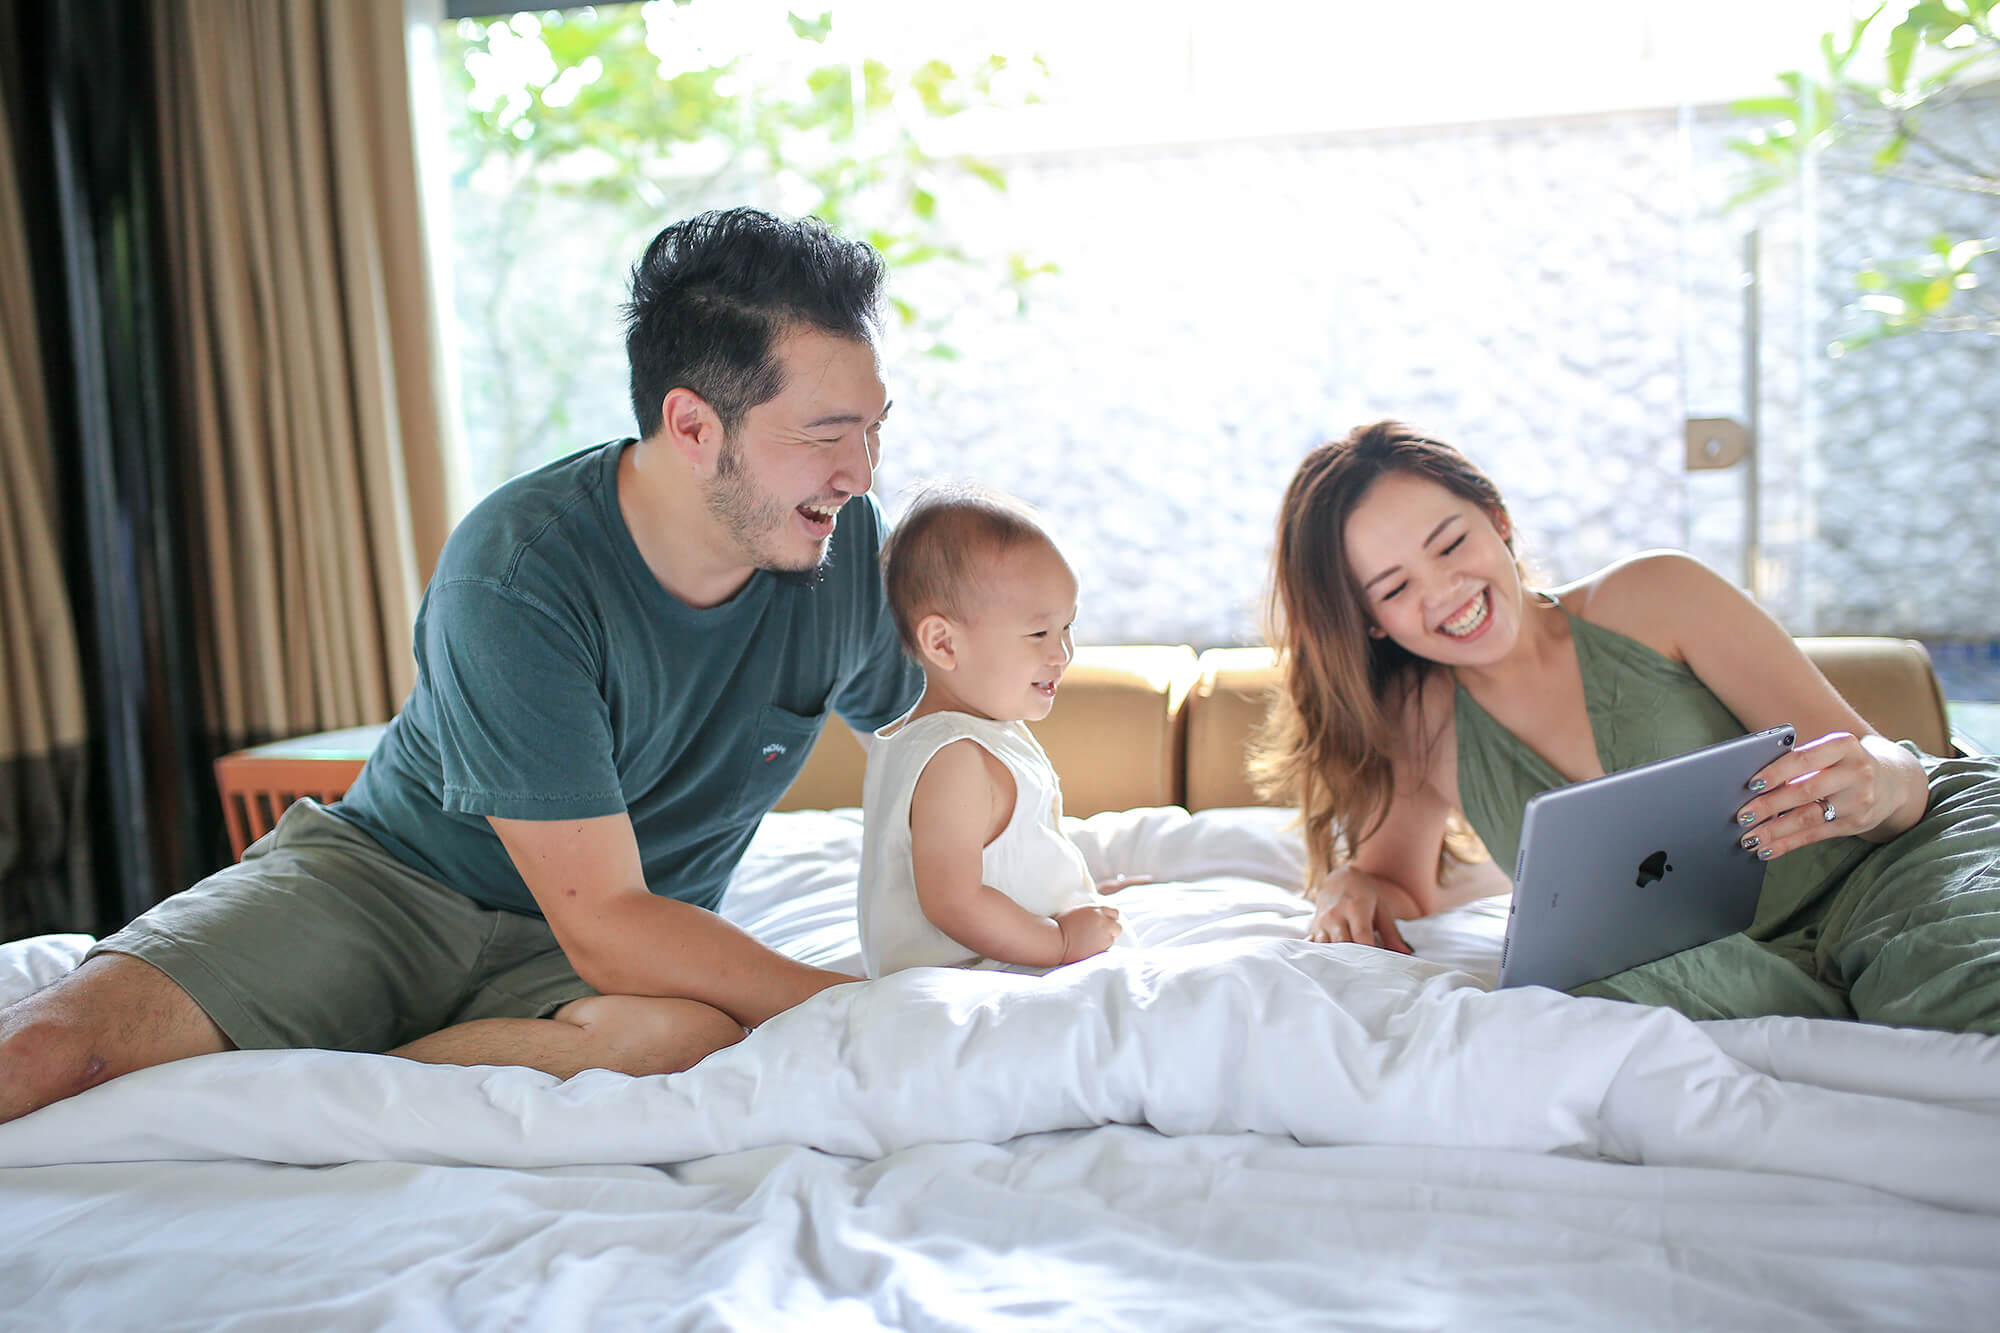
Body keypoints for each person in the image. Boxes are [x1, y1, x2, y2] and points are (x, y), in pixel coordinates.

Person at [0, 207, 925, 1124]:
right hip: (388, 888)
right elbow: (605, 915)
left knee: (681, 1042)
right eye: (824, 433)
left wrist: (1047, 874)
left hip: (614, 954)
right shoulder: (520, 570)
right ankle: (313, 1048)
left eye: (875, 429)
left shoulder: (838, 552)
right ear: (691, 426)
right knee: (45, 1054)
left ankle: (327, 1080)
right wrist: (844, 1001)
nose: (861, 470)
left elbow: (934, 739)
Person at [1252, 419, 2000, 1032]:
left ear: (1498, 520)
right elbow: (1395, 883)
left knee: (1952, 988)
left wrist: (1876, 782)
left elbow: (1890, 774)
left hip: (1892, 870)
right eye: (1394, 587)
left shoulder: (1654, 596)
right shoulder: (1424, 725)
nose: (1445, 590)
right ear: (1372, 623)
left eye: (1450, 543)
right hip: (1722, 968)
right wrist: (1345, 883)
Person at [857, 486, 1132, 977]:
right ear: (943, 643)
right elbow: (954, 902)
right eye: (1038, 634)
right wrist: (1061, 940)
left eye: (1068, 628)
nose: (1062, 654)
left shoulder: (971, 734)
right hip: (971, 983)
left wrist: (1070, 892)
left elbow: (1005, 859)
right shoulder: (952, 758)